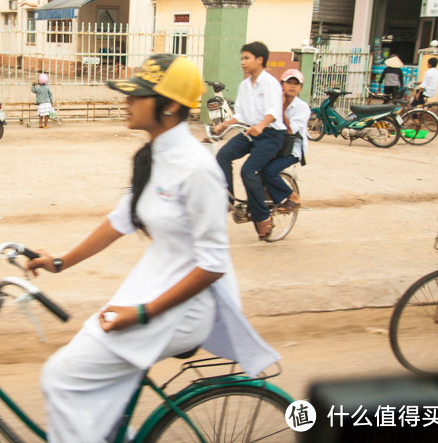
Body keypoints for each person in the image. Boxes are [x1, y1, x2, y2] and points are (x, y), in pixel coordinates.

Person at [25, 54, 279, 443]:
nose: (126, 102)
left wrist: (143, 313)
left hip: (182, 306)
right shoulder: (153, 155)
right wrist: (60, 262)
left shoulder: (198, 169)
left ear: (171, 105)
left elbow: (212, 264)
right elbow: (120, 219)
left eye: (138, 95)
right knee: (89, 395)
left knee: (61, 377)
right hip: (150, 287)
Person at [213, 41, 286, 240]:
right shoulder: (244, 86)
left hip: (270, 134)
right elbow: (241, 114)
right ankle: (227, 199)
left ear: (259, 60)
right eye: (242, 58)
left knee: (249, 170)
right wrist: (224, 125)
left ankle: (262, 217)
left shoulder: (270, 83)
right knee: (223, 155)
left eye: (247, 58)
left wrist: (261, 125)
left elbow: (272, 111)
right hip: (250, 132)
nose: (243, 62)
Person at [261, 69, 310, 214]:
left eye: (296, 84)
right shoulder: (271, 103)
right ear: (281, 85)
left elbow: (290, 131)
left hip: (292, 150)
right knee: (254, 169)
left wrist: (280, 109)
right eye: (289, 82)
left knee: (270, 171)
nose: (293, 86)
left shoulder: (302, 108)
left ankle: (292, 197)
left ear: (300, 88)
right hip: (275, 145)